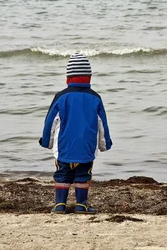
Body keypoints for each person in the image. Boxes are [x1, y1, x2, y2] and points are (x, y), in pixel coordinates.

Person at [39, 53, 113, 214]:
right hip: (86, 147)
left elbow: (50, 123)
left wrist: (47, 142)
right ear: (89, 77)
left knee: (62, 174)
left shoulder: (61, 97)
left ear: (68, 78)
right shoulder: (95, 98)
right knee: (83, 175)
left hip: (64, 146)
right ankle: (81, 204)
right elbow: (102, 124)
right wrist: (104, 144)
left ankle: (60, 204)